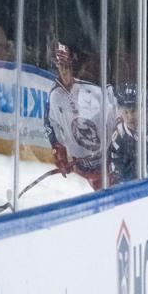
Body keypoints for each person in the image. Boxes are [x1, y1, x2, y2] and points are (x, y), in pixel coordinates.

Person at [43, 41, 118, 191]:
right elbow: (49, 123)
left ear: (73, 63)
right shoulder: (55, 95)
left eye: (66, 65)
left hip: (106, 163)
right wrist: (57, 148)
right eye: (60, 65)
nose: (64, 70)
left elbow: (115, 114)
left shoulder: (93, 90)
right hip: (81, 168)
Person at [108, 82, 148, 185]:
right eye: (126, 112)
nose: (130, 117)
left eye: (133, 110)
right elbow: (118, 173)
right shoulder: (118, 136)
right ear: (120, 111)